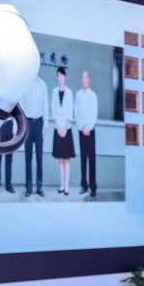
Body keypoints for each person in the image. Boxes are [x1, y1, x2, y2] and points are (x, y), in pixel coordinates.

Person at [20, 73, 49, 197]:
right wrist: (21, 125)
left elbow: (45, 105)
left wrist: (46, 125)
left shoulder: (42, 84)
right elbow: (21, 105)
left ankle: (39, 187)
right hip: (27, 124)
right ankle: (28, 187)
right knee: (28, 157)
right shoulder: (24, 83)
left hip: (39, 124)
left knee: (39, 157)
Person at [51, 67, 75, 196]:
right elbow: (53, 110)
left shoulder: (69, 92)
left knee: (67, 160)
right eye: (58, 76)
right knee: (60, 160)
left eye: (62, 75)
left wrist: (65, 128)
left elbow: (70, 111)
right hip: (57, 129)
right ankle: (61, 185)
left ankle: (66, 187)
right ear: (57, 77)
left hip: (67, 129)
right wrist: (58, 127)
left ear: (65, 77)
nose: (60, 78)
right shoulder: (54, 91)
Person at [75, 70, 98, 198]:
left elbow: (94, 114)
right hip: (81, 130)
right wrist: (81, 127)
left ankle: (93, 187)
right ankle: (84, 185)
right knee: (83, 158)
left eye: (86, 77)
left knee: (91, 159)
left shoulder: (93, 95)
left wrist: (88, 127)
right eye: (82, 77)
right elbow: (76, 112)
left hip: (90, 130)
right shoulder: (78, 95)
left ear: (89, 80)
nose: (84, 80)